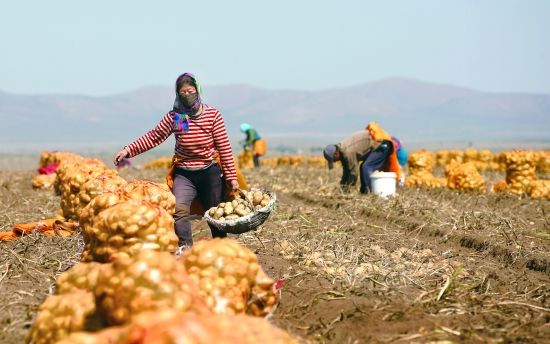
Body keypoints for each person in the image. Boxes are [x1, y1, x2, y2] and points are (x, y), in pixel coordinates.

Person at [114, 72, 239, 248]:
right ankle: (185, 248)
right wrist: (129, 150)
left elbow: (224, 148)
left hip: (209, 171)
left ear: (198, 91)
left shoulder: (212, 115)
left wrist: (232, 177)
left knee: (215, 214)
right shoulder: (179, 117)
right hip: (184, 173)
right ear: (177, 94)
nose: (187, 95)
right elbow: (154, 136)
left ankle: (221, 248)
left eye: (190, 91)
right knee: (179, 209)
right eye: (183, 93)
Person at [323, 122, 404, 193]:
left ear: (336, 153)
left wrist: (347, 191)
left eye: (333, 160)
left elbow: (353, 173)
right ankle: (364, 192)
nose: (334, 162)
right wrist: (342, 188)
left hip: (382, 144)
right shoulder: (342, 150)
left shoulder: (347, 152)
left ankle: (370, 193)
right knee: (364, 166)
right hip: (377, 145)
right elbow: (346, 171)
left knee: (366, 167)